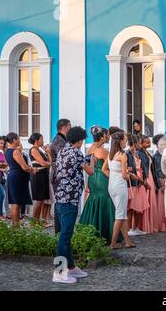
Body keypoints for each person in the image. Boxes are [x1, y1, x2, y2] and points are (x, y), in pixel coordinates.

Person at [52, 126, 93, 284]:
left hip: (61, 196)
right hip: (70, 198)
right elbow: (90, 171)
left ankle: (71, 267)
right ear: (80, 140)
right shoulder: (76, 152)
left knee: (65, 233)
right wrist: (92, 162)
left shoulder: (63, 150)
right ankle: (59, 272)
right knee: (65, 235)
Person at [79, 126, 118, 243]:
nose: (108, 137)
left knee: (94, 200)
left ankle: (90, 229)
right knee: (105, 200)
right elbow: (113, 164)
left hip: (92, 179)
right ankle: (107, 232)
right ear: (102, 137)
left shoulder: (90, 149)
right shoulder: (102, 151)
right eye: (107, 135)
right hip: (102, 178)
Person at [102, 132, 136, 250]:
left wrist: (113, 175)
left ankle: (127, 241)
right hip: (120, 186)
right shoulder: (123, 155)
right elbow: (124, 175)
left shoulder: (111, 155)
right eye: (125, 139)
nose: (126, 142)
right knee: (120, 215)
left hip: (111, 185)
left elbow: (104, 170)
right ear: (120, 141)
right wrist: (130, 175)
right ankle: (113, 243)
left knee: (122, 213)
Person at [3, 133, 34, 226]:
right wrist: (32, 169)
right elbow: (24, 167)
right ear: (14, 140)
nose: (19, 141)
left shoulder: (7, 151)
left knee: (14, 202)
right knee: (17, 202)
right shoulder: (15, 151)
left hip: (13, 176)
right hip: (18, 177)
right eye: (18, 139)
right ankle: (15, 226)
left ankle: (15, 225)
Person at [50, 119, 71, 234]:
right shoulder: (59, 141)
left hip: (60, 175)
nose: (70, 129)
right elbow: (63, 158)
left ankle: (62, 229)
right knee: (59, 203)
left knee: (61, 203)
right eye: (69, 126)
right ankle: (59, 230)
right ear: (65, 127)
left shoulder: (62, 139)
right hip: (58, 176)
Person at [126, 134, 149, 236]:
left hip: (140, 182)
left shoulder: (136, 154)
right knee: (131, 208)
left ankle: (135, 227)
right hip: (133, 183)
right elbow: (129, 169)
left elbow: (141, 167)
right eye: (139, 142)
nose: (140, 144)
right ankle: (129, 229)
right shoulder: (127, 154)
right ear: (135, 143)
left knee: (140, 207)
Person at [28, 133, 52, 227]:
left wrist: (48, 153)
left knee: (42, 199)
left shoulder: (40, 150)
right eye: (41, 139)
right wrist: (48, 163)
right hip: (38, 176)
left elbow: (50, 162)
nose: (43, 141)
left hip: (43, 175)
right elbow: (43, 163)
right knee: (39, 199)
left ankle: (38, 221)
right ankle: (33, 222)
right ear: (36, 141)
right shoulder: (33, 150)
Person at [138, 136, 159, 233]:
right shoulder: (140, 153)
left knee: (151, 200)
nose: (149, 144)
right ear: (141, 143)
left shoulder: (146, 152)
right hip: (146, 177)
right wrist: (144, 179)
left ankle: (150, 224)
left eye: (149, 142)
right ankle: (143, 225)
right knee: (147, 200)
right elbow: (141, 166)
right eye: (146, 142)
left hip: (150, 176)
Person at [152, 134, 166, 232]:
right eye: (161, 144)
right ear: (157, 145)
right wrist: (161, 184)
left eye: (164, 144)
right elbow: (156, 171)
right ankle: (162, 225)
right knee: (162, 205)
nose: (164, 146)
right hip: (162, 181)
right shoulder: (156, 156)